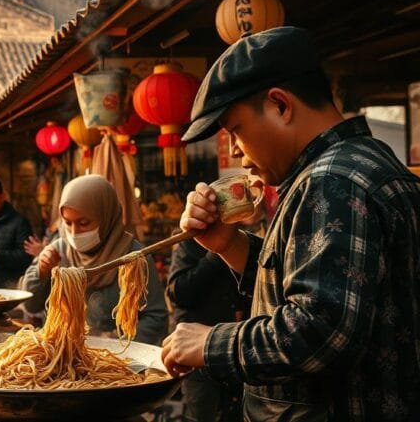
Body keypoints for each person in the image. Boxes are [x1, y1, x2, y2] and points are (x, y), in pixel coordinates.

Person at [162, 27, 420, 421]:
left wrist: (210, 342)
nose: (235, 151)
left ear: (280, 105)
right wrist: (229, 245)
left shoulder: (331, 181)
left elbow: (320, 330)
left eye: (236, 131)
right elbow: (324, 287)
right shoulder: (364, 162)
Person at [21, 175, 167, 343]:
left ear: (106, 217)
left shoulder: (134, 257)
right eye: (68, 223)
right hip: (62, 356)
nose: (74, 232)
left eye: (84, 223)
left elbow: (155, 317)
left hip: (116, 361)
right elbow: (31, 305)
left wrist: (116, 345)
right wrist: (42, 272)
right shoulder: (57, 251)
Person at [168, 237, 249, 421]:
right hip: (198, 359)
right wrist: (216, 254)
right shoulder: (188, 243)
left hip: (235, 352)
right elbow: (178, 292)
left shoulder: (240, 242)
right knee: (201, 412)